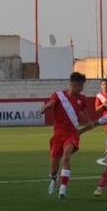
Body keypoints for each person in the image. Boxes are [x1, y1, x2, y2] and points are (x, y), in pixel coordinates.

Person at [39, 72, 91, 200]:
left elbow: (86, 117)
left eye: (83, 85)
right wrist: (47, 106)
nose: (82, 88)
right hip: (58, 135)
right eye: (80, 85)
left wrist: (86, 125)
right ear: (73, 84)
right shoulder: (58, 96)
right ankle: (53, 178)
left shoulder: (82, 99)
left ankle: (63, 189)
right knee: (53, 168)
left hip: (72, 134)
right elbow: (42, 110)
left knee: (66, 156)